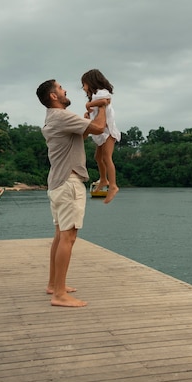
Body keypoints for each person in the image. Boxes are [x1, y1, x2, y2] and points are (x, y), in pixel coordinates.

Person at [36, 79, 107, 307]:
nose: (65, 90)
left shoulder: (53, 118)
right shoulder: (62, 116)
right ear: (54, 96)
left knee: (59, 235)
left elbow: (82, 135)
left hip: (57, 183)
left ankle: (53, 284)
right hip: (69, 182)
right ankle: (59, 294)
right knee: (69, 236)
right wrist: (103, 106)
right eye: (60, 88)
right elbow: (99, 128)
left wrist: (85, 123)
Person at [81, 69, 121, 204]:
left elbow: (105, 101)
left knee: (106, 157)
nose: (83, 88)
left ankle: (113, 186)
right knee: (97, 157)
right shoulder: (94, 96)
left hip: (108, 131)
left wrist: (89, 105)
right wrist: (88, 115)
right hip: (102, 132)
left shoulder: (101, 92)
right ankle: (103, 179)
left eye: (84, 84)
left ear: (91, 82)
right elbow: (97, 114)